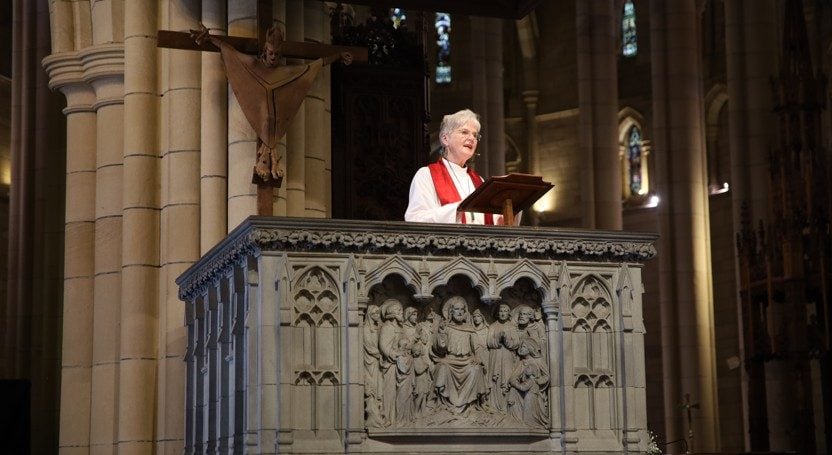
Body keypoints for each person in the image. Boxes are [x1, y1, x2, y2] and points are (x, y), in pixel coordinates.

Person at [405, 109, 509, 224]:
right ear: (445, 139)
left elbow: (487, 221)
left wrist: (509, 208)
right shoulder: (426, 175)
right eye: (464, 132)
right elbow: (415, 219)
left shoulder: (479, 181)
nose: (472, 138)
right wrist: (456, 210)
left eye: (475, 135)